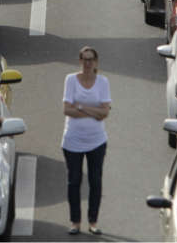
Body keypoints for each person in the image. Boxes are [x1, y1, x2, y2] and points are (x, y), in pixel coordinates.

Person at [62, 46, 111, 235]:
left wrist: (81, 107)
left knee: (95, 181)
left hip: (97, 141)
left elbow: (104, 113)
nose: (88, 63)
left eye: (91, 59)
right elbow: (67, 110)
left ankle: (93, 221)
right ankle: (75, 221)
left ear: (96, 62)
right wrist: (94, 111)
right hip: (73, 140)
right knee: (74, 181)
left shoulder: (103, 82)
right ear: (80, 61)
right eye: (84, 59)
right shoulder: (71, 80)